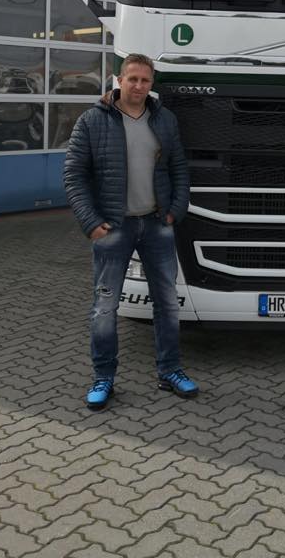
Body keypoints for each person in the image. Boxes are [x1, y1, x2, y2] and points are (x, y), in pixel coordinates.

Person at [64, 53, 197, 410]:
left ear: (152, 84)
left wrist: (175, 211)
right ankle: (103, 377)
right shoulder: (93, 120)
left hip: (156, 224)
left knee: (167, 303)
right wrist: (91, 223)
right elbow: (74, 175)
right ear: (119, 80)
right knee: (105, 307)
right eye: (133, 79)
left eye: (145, 80)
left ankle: (169, 370)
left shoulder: (164, 120)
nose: (138, 86)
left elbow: (179, 168)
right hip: (113, 227)